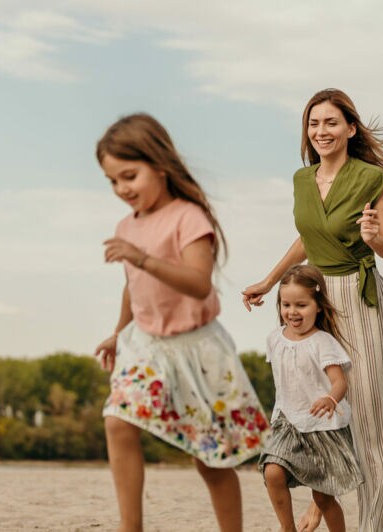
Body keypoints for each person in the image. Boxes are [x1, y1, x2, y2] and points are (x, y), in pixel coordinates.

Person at [242, 88, 383, 532]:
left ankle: (373, 526)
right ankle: (323, 497)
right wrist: (269, 280)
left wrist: (374, 238)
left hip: (360, 298)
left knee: (373, 417)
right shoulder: (302, 180)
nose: (321, 131)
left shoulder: (372, 178)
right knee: (315, 402)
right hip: (316, 299)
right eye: (314, 123)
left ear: (350, 129)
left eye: (331, 122)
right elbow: (308, 238)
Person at [93, 113, 270, 532]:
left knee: (210, 460)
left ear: (160, 165)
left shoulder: (188, 217)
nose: (122, 189)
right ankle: (130, 527)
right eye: (113, 181)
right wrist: (118, 333)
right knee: (117, 420)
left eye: (129, 176)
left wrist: (142, 258)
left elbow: (198, 283)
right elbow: (133, 286)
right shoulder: (125, 226)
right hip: (147, 346)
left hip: (198, 349)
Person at [259, 264, 364, 532]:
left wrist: (331, 399)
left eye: (301, 305)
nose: (292, 312)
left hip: (323, 426)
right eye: (286, 305)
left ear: (318, 306)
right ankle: (287, 528)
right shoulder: (274, 339)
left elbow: (340, 382)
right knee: (272, 471)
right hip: (288, 421)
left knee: (323, 497)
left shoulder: (323, 342)